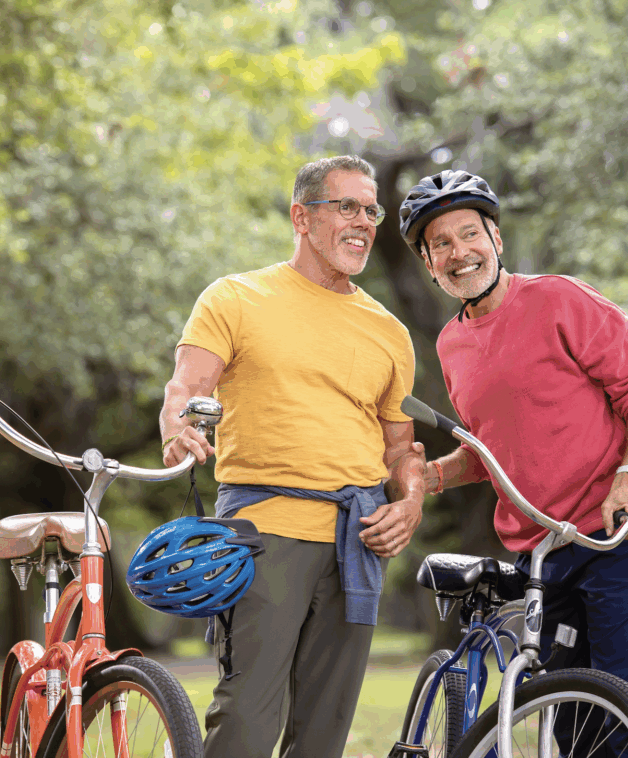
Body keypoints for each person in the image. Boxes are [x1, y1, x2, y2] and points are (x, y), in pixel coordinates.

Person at [159, 155, 427, 758]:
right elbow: (186, 386)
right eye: (346, 206)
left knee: (324, 732)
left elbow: (400, 448)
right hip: (263, 533)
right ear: (301, 217)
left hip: (358, 542)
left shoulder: (389, 331)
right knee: (247, 721)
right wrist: (177, 425)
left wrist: (410, 502)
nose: (362, 221)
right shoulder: (236, 297)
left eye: (371, 209)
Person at [397, 170, 628, 744]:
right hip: (542, 556)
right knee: (568, 724)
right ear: (429, 264)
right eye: (441, 244)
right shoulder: (451, 345)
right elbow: (488, 448)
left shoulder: (558, 299)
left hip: (615, 533)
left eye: (469, 234)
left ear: (496, 239)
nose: (459, 253)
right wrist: (435, 475)